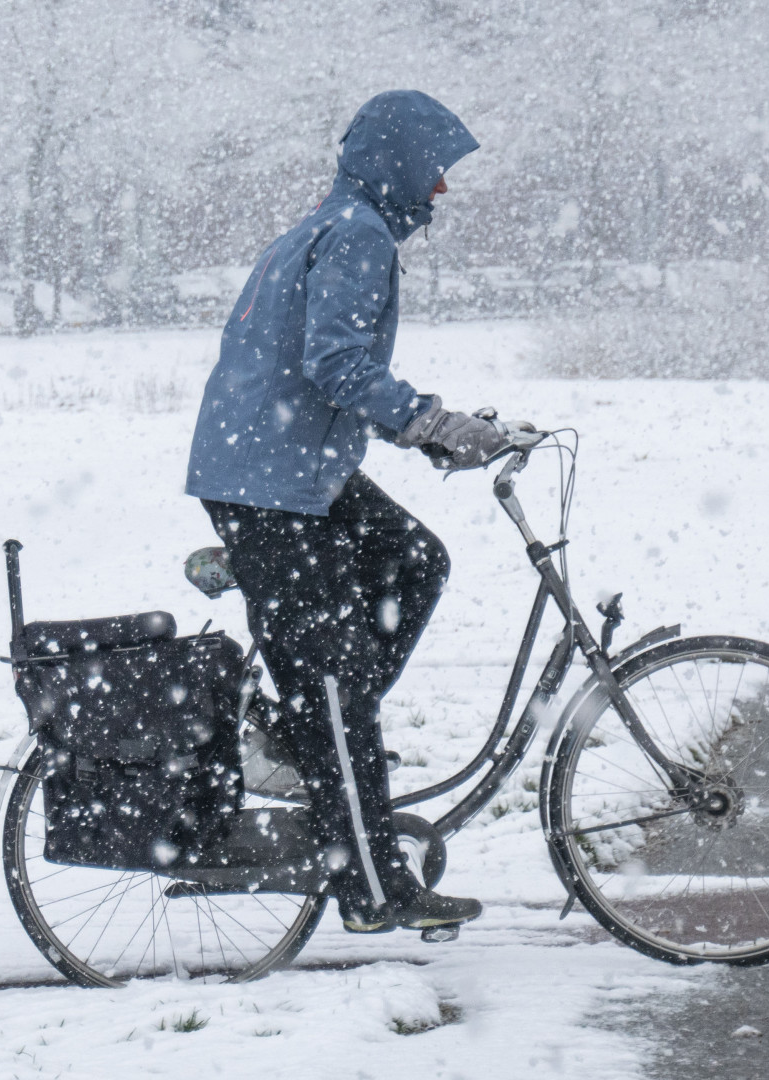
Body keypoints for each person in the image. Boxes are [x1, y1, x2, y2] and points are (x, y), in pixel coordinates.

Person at [185, 90, 525, 933]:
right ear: (396, 164)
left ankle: (306, 733)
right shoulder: (357, 235)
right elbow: (336, 365)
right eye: (433, 169)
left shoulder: (335, 223)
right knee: (337, 688)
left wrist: (427, 429)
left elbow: (315, 369)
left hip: (286, 471)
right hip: (273, 484)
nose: (441, 188)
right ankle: (373, 890)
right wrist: (431, 424)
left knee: (414, 563)